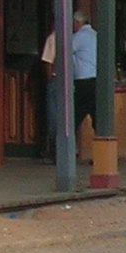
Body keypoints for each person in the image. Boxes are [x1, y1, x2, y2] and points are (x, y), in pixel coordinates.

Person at [39, 10, 98, 162]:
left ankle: (63, 154)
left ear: (77, 23)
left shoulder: (78, 37)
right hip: (97, 81)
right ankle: (103, 156)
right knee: (98, 119)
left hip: (82, 81)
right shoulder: (96, 35)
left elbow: (62, 51)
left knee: (71, 119)